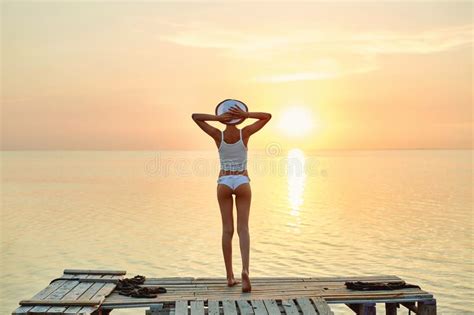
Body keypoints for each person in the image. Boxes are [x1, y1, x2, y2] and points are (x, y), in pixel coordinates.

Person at [192, 105, 271, 292]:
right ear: (240, 118)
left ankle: (229, 277)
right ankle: (245, 271)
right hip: (242, 181)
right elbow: (267, 116)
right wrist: (247, 115)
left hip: (224, 182)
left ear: (224, 117)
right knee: (243, 229)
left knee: (227, 230)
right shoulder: (245, 133)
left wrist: (217, 118)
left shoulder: (218, 135)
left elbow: (195, 116)